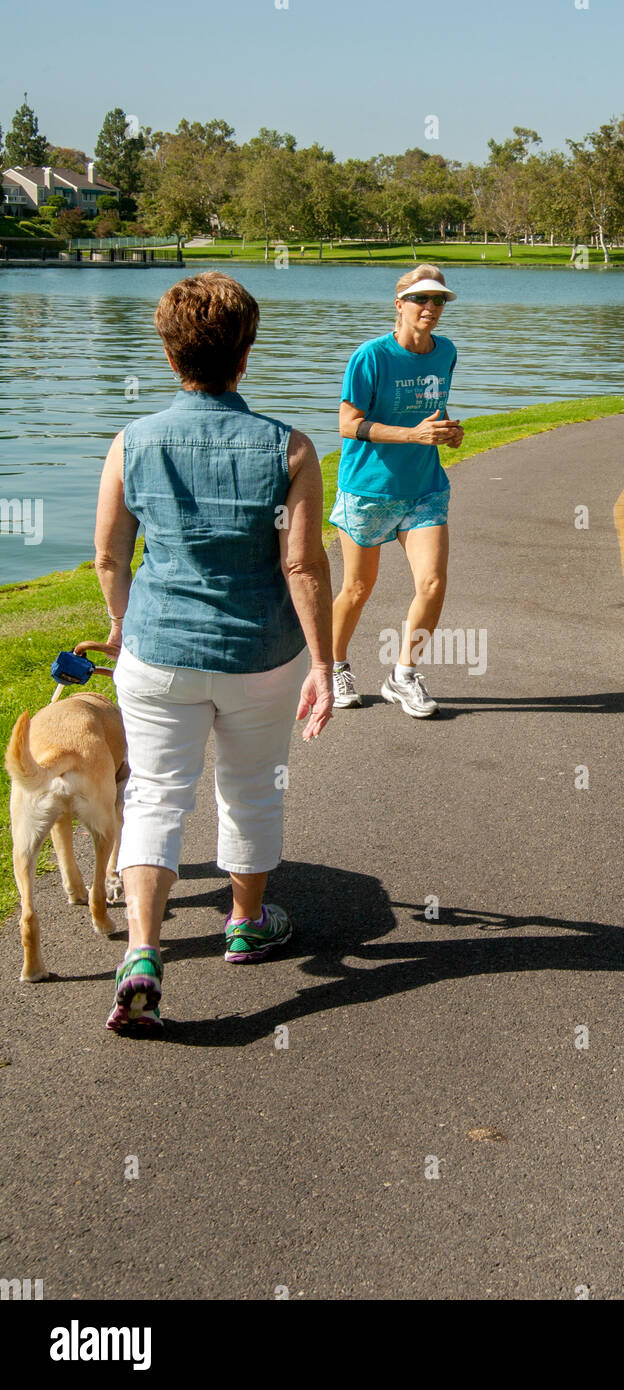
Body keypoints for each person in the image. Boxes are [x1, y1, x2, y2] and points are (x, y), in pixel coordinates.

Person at [93, 272, 333, 1034]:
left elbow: (109, 555)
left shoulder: (132, 442)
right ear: (247, 352)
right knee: (252, 786)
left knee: (156, 794)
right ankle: (246, 922)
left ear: (169, 354)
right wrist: (325, 663)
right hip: (260, 652)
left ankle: (141, 952)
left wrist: (123, 624)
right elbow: (300, 566)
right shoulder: (289, 447)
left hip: (158, 648)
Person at [329, 264, 463, 717]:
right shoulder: (370, 357)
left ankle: (402, 675)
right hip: (369, 488)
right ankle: (335, 665)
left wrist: (448, 433)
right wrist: (411, 435)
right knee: (357, 587)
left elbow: (432, 414)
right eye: (422, 299)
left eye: (439, 300)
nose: (431, 307)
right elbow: (348, 424)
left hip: (424, 487)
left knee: (432, 583)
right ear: (400, 303)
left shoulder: (445, 352)